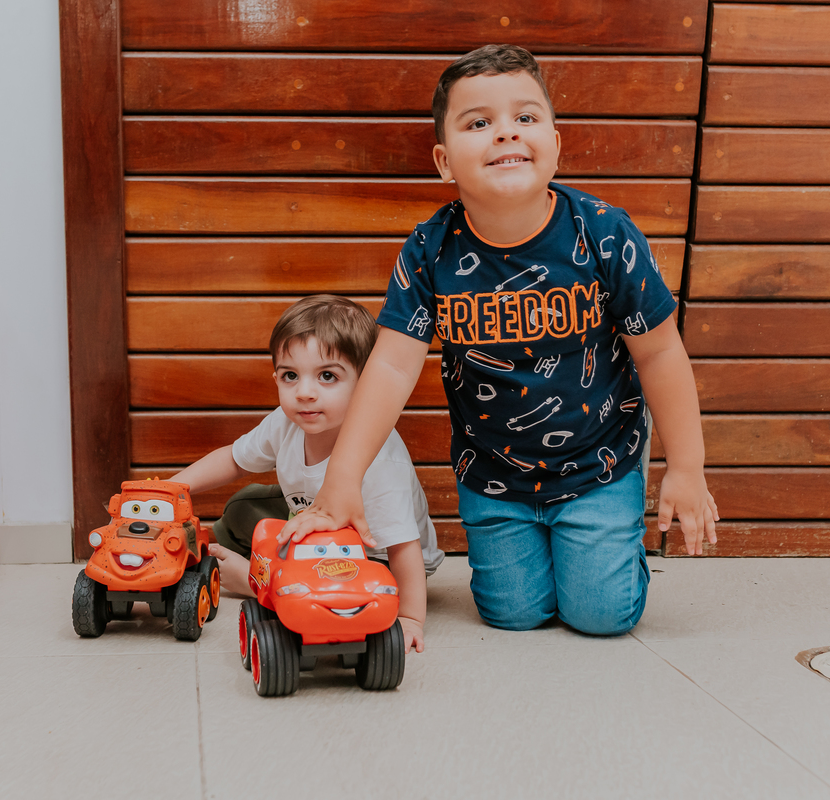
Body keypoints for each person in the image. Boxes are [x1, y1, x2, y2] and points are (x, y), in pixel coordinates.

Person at [279, 44, 719, 636]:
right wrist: (342, 480)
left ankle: (611, 547)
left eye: (525, 118)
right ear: (444, 162)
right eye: (479, 123)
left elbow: (661, 352)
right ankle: (543, 545)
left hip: (598, 463)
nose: (505, 133)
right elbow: (389, 368)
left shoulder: (607, 235)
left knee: (600, 615)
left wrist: (685, 467)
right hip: (493, 473)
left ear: (556, 145)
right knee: (513, 614)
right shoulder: (431, 249)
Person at [170, 294, 443, 652]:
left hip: (377, 557)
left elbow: (403, 546)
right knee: (242, 507)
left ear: (366, 385)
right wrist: (173, 489)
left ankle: (249, 577)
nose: (304, 393)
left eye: (327, 376)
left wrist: (409, 618)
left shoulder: (380, 461)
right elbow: (234, 459)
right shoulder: (286, 422)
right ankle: (236, 555)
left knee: (319, 589)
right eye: (290, 376)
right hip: (312, 523)